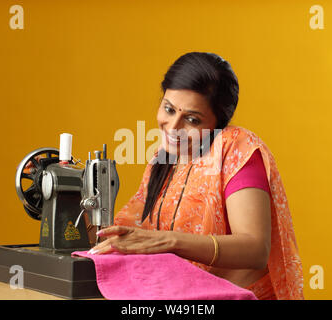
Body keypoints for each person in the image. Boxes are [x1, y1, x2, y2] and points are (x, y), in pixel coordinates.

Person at [90, 52, 304, 300]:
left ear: (217, 123)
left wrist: (169, 242)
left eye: (191, 119)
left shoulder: (237, 148)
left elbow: (256, 248)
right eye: (169, 109)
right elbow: (129, 237)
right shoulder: (162, 160)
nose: (173, 127)